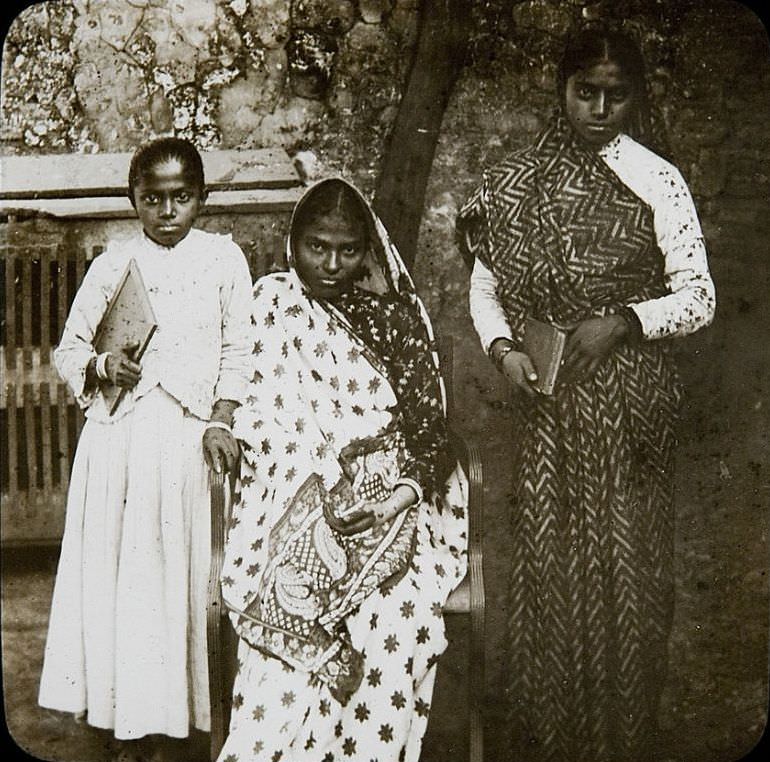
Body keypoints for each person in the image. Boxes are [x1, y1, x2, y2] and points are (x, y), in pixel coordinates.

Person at [457, 24, 716, 762]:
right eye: (585, 93)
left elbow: (699, 297)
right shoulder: (514, 181)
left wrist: (627, 321)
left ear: (635, 98)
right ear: (561, 89)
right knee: (551, 573)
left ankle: (621, 743)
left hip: (632, 409)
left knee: (629, 579)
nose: (600, 109)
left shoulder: (656, 178)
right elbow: (487, 292)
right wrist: (505, 351)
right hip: (550, 405)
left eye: (616, 95)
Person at [217, 178, 468, 762]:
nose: (331, 264)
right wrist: (307, 472)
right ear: (293, 242)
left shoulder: (394, 319)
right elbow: (246, 409)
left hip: (391, 504)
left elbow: (431, 431)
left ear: (368, 250)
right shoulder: (269, 306)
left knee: (393, 620)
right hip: (289, 502)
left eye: (347, 250)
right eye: (317, 246)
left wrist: (397, 497)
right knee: (291, 604)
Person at [38, 137, 253, 760]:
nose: (166, 211)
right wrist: (104, 366)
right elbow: (69, 349)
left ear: (202, 199)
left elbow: (240, 351)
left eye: (181, 198)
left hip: (189, 444)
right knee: (125, 578)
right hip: (122, 445)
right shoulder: (114, 264)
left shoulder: (222, 260)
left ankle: (185, 715)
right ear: (133, 199)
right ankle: (122, 711)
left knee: (182, 577)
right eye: (151, 198)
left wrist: (221, 420)